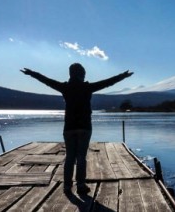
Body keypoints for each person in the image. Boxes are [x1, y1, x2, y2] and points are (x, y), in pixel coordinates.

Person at [21, 63, 133, 194]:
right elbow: (108, 82)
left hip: (69, 127)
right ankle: (80, 185)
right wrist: (123, 76)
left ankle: (67, 186)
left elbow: (46, 81)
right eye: (84, 73)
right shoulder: (87, 87)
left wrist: (32, 73)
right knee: (81, 157)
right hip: (84, 127)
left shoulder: (65, 87)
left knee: (69, 157)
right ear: (82, 74)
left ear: (70, 74)